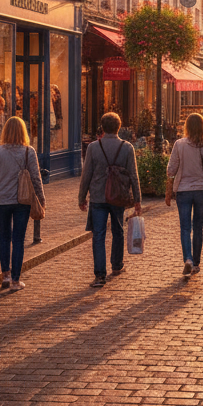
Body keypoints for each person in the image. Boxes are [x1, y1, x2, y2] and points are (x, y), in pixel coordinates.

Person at [79, 112, 141, 288]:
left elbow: (86, 175)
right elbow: (134, 176)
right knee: (118, 230)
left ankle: (100, 275)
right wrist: (137, 199)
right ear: (119, 127)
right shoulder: (127, 147)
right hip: (118, 196)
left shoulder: (93, 147)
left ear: (103, 128)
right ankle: (117, 265)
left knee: (98, 235)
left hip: (98, 197)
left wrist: (82, 197)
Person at [0, 116, 45, 292]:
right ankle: (16, 281)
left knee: (4, 237)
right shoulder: (29, 151)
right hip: (22, 200)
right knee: (18, 239)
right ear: (23, 132)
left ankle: (6, 275)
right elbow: (36, 178)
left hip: (1, 200)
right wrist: (41, 199)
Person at [166, 113, 203, 276]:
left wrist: (168, 192)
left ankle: (187, 258)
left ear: (186, 127)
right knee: (198, 227)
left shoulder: (179, 145)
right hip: (201, 191)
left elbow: (171, 170)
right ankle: (196, 263)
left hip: (183, 191)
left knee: (185, 227)